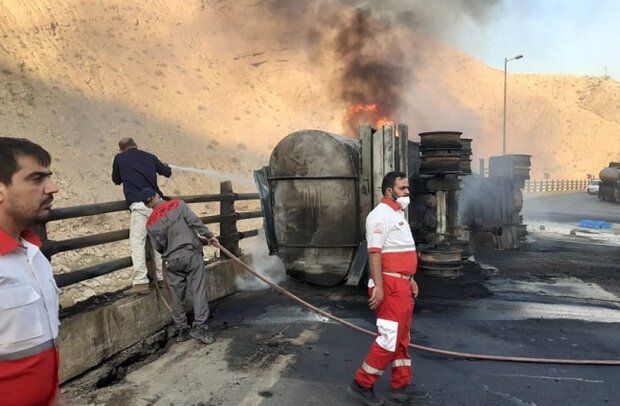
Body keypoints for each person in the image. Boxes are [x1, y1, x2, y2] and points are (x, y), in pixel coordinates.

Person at [348, 171, 428, 406]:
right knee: (389, 337)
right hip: (389, 287)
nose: (407, 193)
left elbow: (398, 252)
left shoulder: (398, 215)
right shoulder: (379, 216)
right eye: (403, 189)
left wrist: (409, 278)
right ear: (389, 191)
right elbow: (375, 254)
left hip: (401, 284)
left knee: (402, 337)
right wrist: (379, 288)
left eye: (407, 188)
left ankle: (401, 385)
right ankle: (361, 384)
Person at [0, 137, 66, 405]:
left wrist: (55, 396)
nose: (53, 188)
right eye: (36, 179)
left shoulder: (34, 254)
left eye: (49, 177)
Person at [142, 188, 218, 344]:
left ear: (147, 205)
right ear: (157, 195)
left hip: (172, 261)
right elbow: (195, 222)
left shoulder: (150, 223)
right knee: (198, 290)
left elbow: (158, 247)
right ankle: (199, 327)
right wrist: (209, 236)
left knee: (176, 295)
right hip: (191, 254)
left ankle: (182, 329)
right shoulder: (178, 204)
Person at [111, 137, 171, 294]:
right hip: (157, 205)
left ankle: (141, 283)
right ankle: (162, 278)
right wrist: (164, 166)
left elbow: (116, 179)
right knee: (159, 242)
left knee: (137, 243)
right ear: (136, 146)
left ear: (121, 149)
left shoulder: (120, 158)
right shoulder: (149, 156)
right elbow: (167, 172)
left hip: (139, 205)